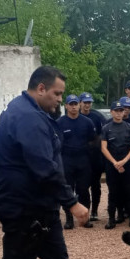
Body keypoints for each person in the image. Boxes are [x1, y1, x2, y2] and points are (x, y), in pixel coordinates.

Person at [0, 65, 105, 259]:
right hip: (23, 206)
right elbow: (44, 168)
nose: (60, 100)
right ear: (40, 89)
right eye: (57, 94)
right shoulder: (27, 117)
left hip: (41, 206)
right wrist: (73, 203)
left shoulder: (33, 112)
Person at [56, 94, 97, 230]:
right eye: (71, 104)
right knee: (68, 189)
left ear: (79, 105)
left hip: (83, 160)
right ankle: (69, 219)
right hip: (67, 160)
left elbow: (93, 140)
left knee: (84, 190)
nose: (73, 107)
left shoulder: (87, 122)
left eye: (75, 104)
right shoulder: (60, 123)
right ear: (66, 106)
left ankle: (85, 218)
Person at [100, 99, 130, 229]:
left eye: (121, 111)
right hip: (112, 164)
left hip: (127, 164)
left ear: (124, 112)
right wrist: (115, 163)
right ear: (111, 112)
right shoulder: (106, 128)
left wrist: (124, 161)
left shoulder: (129, 127)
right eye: (116, 111)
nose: (118, 113)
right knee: (113, 192)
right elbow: (103, 148)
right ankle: (112, 219)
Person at [78, 92, 106, 221]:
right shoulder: (76, 117)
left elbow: (103, 134)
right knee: (82, 186)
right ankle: (84, 210)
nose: (87, 105)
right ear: (80, 103)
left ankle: (94, 210)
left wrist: (96, 143)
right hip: (82, 157)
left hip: (96, 156)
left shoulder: (97, 116)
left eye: (89, 102)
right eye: (85, 102)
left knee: (96, 185)